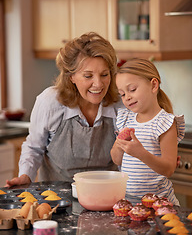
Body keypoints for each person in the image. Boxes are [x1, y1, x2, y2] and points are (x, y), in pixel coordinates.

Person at [5, 32, 122, 187]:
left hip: (105, 194)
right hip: (56, 196)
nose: (98, 84)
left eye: (104, 74)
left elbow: (126, 158)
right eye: (88, 76)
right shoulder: (51, 102)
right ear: (71, 76)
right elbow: (34, 147)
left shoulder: (120, 104)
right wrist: (26, 176)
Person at [111, 58, 185, 205]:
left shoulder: (165, 123)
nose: (127, 97)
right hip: (129, 204)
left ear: (153, 85)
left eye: (132, 90)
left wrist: (141, 153)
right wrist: (119, 145)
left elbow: (169, 169)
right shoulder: (125, 119)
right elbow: (117, 160)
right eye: (122, 94)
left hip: (159, 204)